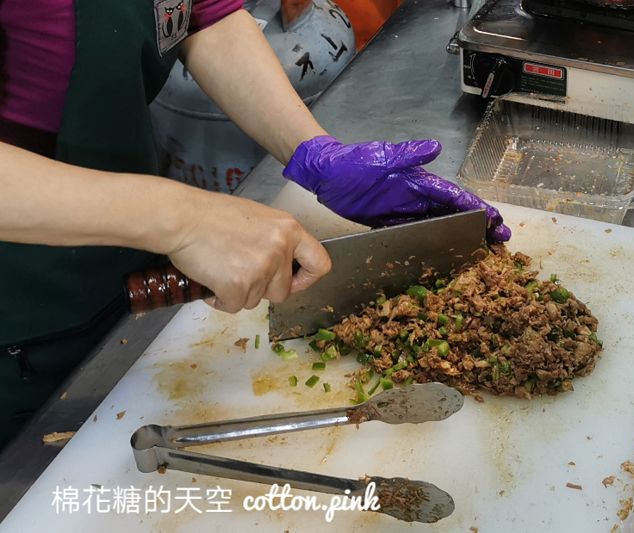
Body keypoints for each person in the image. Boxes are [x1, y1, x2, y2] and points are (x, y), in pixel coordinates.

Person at [0, 0, 510, 450]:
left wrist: (313, 152)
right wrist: (181, 218)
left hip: (127, 271)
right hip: (19, 323)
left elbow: (204, 16)